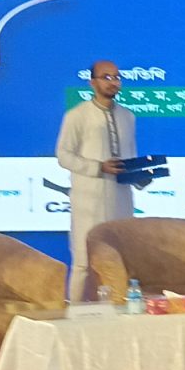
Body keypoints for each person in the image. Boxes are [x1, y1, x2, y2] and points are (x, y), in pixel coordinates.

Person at [55, 60, 136, 302]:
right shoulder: (77, 115)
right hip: (88, 200)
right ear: (92, 82)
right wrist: (98, 167)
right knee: (83, 262)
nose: (113, 82)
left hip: (121, 199)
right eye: (106, 77)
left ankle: (120, 313)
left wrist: (139, 175)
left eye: (116, 77)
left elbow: (130, 155)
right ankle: (75, 314)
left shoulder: (128, 116)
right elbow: (64, 155)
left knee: (122, 260)